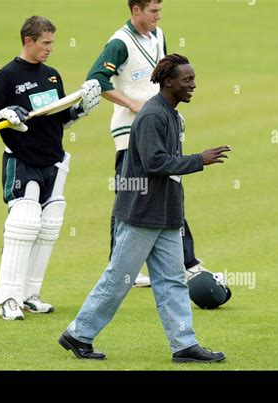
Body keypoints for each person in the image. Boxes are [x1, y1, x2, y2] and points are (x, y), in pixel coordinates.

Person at [59, 54, 231, 362]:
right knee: (119, 278)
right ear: (168, 82)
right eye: (187, 80)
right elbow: (155, 162)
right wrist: (198, 160)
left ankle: (183, 344)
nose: (193, 85)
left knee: (173, 280)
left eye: (193, 79)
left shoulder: (170, 114)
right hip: (141, 214)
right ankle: (78, 334)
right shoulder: (154, 115)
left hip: (164, 215)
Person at [0, 16, 101, 320]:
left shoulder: (52, 76)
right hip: (23, 161)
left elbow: (58, 117)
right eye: (45, 43)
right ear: (28, 41)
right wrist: (4, 113)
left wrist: (81, 108)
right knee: (23, 226)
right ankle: (8, 298)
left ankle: (30, 293)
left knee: (48, 229)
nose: (50, 49)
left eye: (52, 43)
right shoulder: (7, 76)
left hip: (53, 160)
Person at [87, 0, 209, 288]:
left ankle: (185, 261)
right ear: (136, 10)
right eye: (153, 11)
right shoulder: (120, 42)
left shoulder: (159, 35)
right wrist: (132, 103)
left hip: (162, 122)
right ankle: (121, 268)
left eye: (159, 10)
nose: (158, 16)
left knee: (170, 186)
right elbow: (95, 80)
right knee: (129, 195)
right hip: (130, 129)